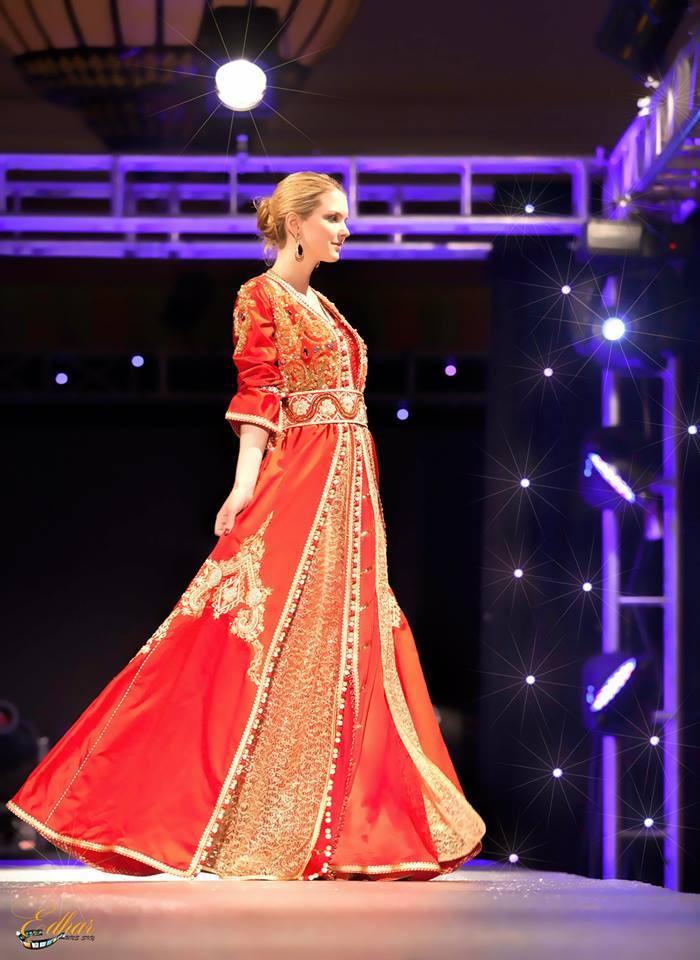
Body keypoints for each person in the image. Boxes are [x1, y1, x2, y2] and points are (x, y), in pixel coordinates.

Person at [7, 172, 486, 881]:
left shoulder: (322, 304)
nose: (345, 230)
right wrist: (243, 485)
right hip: (306, 473)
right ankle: (160, 802)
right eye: (333, 218)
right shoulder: (259, 296)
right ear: (296, 224)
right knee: (252, 628)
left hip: (351, 485)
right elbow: (259, 393)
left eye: (344, 218)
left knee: (343, 638)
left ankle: (329, 825)